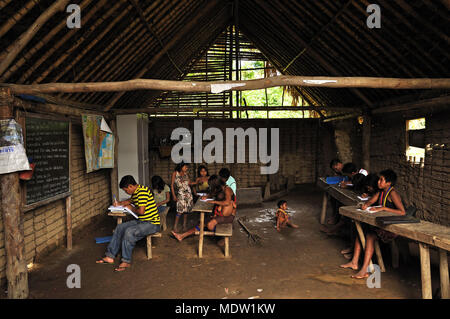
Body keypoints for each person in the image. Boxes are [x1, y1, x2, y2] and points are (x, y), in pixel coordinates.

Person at [340, 169, 405, 279]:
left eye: (381, 180)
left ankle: (364, 270)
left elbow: (402, 212)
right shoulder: (380, 192)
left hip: (391, 228)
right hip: (381, 225)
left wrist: (383, 208)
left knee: (369, 236)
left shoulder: (392, 194)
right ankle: (354, 262)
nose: (378, 182)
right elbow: (369, 202)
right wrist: (365, 205)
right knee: (360, 230)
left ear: (389, 183)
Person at [96, 175, 160, 271]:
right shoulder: (136, 191)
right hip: (142, 221)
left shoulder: (142, 192)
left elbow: (141, 211)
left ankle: (126, 261)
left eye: (126, 190)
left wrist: (131, 208)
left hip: (152, 224)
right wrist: (119, 204)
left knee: (129, 232)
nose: (126, 192)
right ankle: (110, 256)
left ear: (130, 186)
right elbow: (130, 200)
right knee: (120, 227)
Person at [171, 175, 236, 242]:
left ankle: (220, 237)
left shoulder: (227, 189)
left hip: (228, 217)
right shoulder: (220, 189)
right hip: (220, 215)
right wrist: (207, 196)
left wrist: (214, 201)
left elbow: (227, 202)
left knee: (209, 225)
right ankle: (181, 236)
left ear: (215, 184)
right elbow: (214, 194)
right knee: (201, 223)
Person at [171, 162, 195, 232]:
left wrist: (197, 182)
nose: (186, 168)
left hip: (188, 194)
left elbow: (189, 183)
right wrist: (174, 195)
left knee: (186, 211)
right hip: (181, 194)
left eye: (187, 167)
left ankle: (184, 225)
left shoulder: (186, 174)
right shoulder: (175, 173)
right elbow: (172, 185)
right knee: (180, 210)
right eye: (185, 167)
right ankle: (175, 226)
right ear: (181, 166)